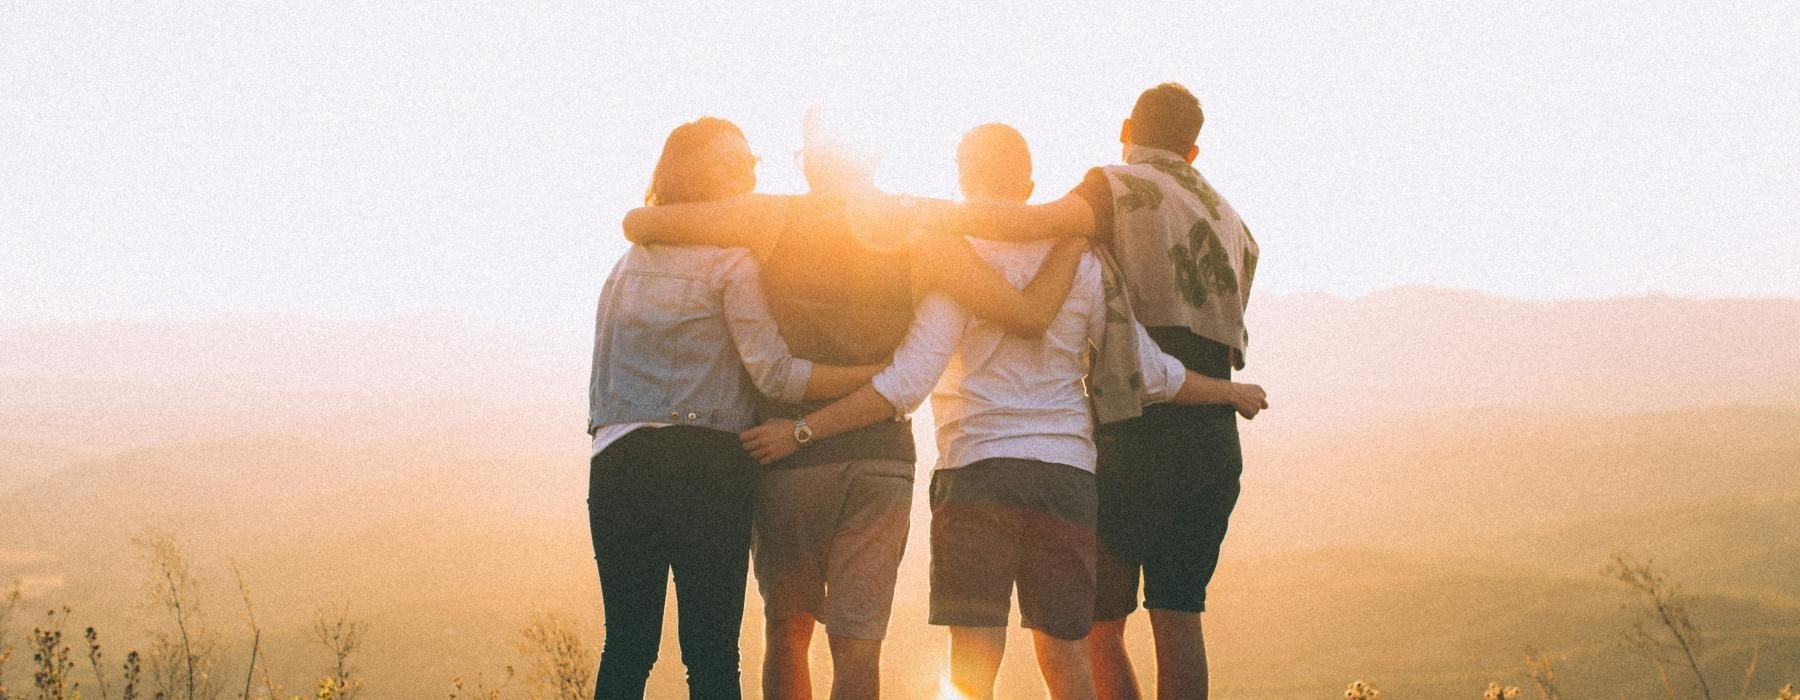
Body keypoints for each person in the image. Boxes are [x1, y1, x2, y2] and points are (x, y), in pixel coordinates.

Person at [622, 110, 1084, 700]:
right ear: (875, 156)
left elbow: (644, 222)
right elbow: (1026, 315)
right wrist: (1073, 235)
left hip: (786, 457)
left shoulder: (770, 217)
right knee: (858, 648)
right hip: (881, 461)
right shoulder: (920, 229)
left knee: (787, 633)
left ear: (808, 160)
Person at [934, 84, 1261, 700]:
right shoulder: (1231, 219)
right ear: (1192, 150)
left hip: (1133, 427)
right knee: (1179, 614)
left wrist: (918, 216)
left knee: (1096, 630)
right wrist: (1227, 392)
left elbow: (1033, 223)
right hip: (1212, 428)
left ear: (1126, 129)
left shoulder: (1118, 185)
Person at [586, 117, 884, 699]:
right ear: (700, 175)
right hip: (706, 464)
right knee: (712, 649)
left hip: (616, 463)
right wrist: (873, 376)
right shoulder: (731, 262)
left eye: (752, 162)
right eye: (735, 164)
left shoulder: (625, 265)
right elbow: (775, 372)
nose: (750, 173)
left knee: (626, 643)